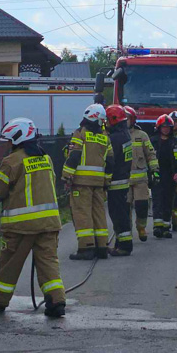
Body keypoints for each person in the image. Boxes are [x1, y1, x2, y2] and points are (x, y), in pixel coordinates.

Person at [0, 118, 66, 317]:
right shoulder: (46, 158)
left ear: (17, 138)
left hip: (20, 226)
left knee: (9, 263)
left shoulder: (11, 161)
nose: (7, 145)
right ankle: (56, 301)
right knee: (48, 263)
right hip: (49, 224)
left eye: (9, 141)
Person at [62, 104, 113, 260]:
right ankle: (102, 247)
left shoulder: (80, 134)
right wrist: (107, 180)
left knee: (82, 213)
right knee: (98, 213)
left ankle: (86, 248)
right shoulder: (105, 137)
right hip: (99, 183)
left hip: (81, 183)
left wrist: (66, 176)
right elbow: (110, 161)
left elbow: (74, 156)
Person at [149, 115, 177, 239]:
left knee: (168, 202)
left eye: (168, 127)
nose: (166, 129)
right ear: (159, 127)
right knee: (157, 200)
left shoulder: (176, 142)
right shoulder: (153, 141)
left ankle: (166, 228)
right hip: (156, 175)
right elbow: (147, 158)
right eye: (164, 127)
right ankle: (157, 227)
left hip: (171, 176)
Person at [124, 106, 159, 241]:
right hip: (124, 180)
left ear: (133, 120)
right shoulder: (117, 136)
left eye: (128, 118)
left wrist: (155, 171)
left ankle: (141, 228)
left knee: (142, 206)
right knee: (125, 208)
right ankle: (126, 231)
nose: (125, 121)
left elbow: (151, 154)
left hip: (141, 180)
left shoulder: (142, 135)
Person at [105, 105, 134, 256]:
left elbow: (110, 159)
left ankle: (124, 246)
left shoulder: (115, 139)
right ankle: (120, 244)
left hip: (116, 182)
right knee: (122, 214)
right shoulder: (125, 135)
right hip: (123, 180)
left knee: (118, 215)